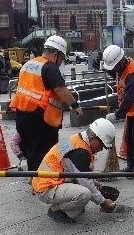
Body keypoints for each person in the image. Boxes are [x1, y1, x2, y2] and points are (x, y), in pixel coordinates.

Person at [9, 35, 83, 171]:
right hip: (40, 119)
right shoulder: (49, 68)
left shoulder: (28, 65)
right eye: (62, 58)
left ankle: (33, 178)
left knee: (31, 151)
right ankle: (43, 183)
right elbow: (60, 89)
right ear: (55, 54)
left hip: (21, 116)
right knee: (44, 152)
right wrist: (75, 105)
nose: (61, 62)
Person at [32, 118, 117, 223]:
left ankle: (72, 206)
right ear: (92, 137)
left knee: (88, 188)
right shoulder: (80, 152)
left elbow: (75, 171)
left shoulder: (77, 140)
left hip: (48, 181)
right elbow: (85, 182)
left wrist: (94, 182)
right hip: (46, 187)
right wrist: (103, 202)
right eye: (101, 145)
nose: (101, 149)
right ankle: (57, 211)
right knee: (85, 194)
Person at [102, 44, 134, 173]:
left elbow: (129, 99)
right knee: (129, 139)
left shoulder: (132, 75)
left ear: (120, 62)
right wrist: (105, 67)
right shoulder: (122, 67)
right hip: (133, 109)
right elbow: (115, 74)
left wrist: (117, 115)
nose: (113, 70)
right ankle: (131, 166)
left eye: (114, 67)